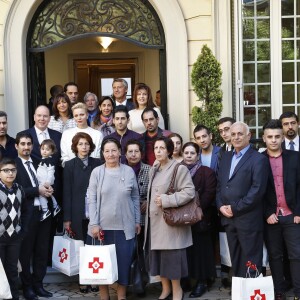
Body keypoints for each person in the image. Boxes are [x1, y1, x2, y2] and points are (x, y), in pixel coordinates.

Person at [87, 138, 140, 300]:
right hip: (102, 228)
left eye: (114, 150)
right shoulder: (97, 172)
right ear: (103, 154)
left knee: (124, 263)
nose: (110, 154)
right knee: (102, 264)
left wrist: (137, 221)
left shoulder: (128, 171)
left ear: (119, 152)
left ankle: (121, 295)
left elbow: (135, 197)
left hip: (125, 227)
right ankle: (104, 296)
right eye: (107, 151)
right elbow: (92, 199)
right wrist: (94, 223)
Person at [144, 136, 195, 300]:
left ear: (169, 150)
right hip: (155, 223)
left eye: (162, 148)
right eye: (156, 148)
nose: (158, 151)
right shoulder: (155, 167)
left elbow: (189, 192)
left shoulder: (178, 168)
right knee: (159, 259)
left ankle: (177, 290)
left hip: (170, 223)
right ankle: (165, 289)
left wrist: (167, 200)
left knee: (172, 261)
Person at [216, 122, 269, 277]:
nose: (236, 137)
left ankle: (252, 292)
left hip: (248, 220)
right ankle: (240, 290)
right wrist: (220, 206)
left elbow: (257, 190)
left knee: (251, 261)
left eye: (240, 134)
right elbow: (220, 186)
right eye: (233, 134)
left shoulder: (258, 159)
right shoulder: (225, 157)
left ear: (249, 136)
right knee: (236, 259)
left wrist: (235, 208)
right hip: (228, 219)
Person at [262, 119, 300, 300]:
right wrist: (266, 213)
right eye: (270, 137)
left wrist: (299, 212)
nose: (274, 140)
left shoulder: (295, 157)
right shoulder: (258, 159)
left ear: (283, 137)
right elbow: (256, 191)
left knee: (296, 255)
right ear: (264, 138)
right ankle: (279, 290)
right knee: (275, 256)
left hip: (293, 215)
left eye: (277, 136)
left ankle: (299, 291)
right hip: (271, 217)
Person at [15, 132, 54, 300]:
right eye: (22, 144)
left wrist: (51, 189)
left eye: (29, 144)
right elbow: (16, 190)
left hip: (44, 215)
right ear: (16, 146)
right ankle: (27, 286)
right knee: (25, 253)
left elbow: (51, 180)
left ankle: (39, 285)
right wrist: (36, 191)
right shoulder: (12, 165)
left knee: (42, 251)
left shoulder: (40, 161)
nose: (26, 147)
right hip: (26, 216)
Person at [63, 132, 101, 294]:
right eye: (80, 144)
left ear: (91, 146)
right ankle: (83, 280)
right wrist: (67, 219)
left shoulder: (98, 163)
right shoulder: (70, 165)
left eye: (86, 144)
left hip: (95, 213)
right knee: (80, 248)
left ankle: (95, 279)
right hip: (77, 213)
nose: (84, 147)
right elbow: (67, 192)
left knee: (94, 248)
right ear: (75, 147)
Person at [181, 142, 216, 298]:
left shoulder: (206, 172)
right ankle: (186, 280)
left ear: (198, 155)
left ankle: (202, 282)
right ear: (182, 154)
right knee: (185, 251)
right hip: (181, 219)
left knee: (201, 252)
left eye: (192, 153)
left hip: (200, 218)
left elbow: (209, 193)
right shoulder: (177, 170)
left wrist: (192, 208)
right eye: (186, 153)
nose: (189, 156)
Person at [0, 157, 30, 300]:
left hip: (15, 238)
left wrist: (22, 231)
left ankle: (14, 296)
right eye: (6, 170)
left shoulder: (20, 189)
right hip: (0, 238)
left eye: (12, 170)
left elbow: (24, 211)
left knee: (12, 269)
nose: (10, 173)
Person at [125, 139, 150, 288]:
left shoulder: (150, 170)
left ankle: (141, 283)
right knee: (128, 252)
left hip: (144, 218)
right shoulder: (120, 169)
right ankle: (126, 283)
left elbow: (157, 190)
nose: (133, 155)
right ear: (125, 154)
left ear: (141, 153)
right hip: (125, 217)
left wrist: (149, 200)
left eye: (136, 151)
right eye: (130, 151)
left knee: (141, 251)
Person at [217, 116, 235, 289]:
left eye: (227, 129)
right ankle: (227, 276)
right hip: (223, 206)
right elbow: (219, 181)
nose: (224, 133)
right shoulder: (220, 151)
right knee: (226, 244)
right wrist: (220, 204)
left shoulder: (249, 150)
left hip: (241, 207)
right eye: (221, 131)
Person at [37, 139, 61, 221]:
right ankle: (55, 206)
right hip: (41, 181)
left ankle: (45, 210)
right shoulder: (41, 160)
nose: (44, 151)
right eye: (43, 149)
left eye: (47, 150)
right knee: (49, 195)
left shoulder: (49, 161)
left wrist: (48, 181)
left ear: (52, 151)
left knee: (41, 194)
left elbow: (51, 172)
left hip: (45, 182)